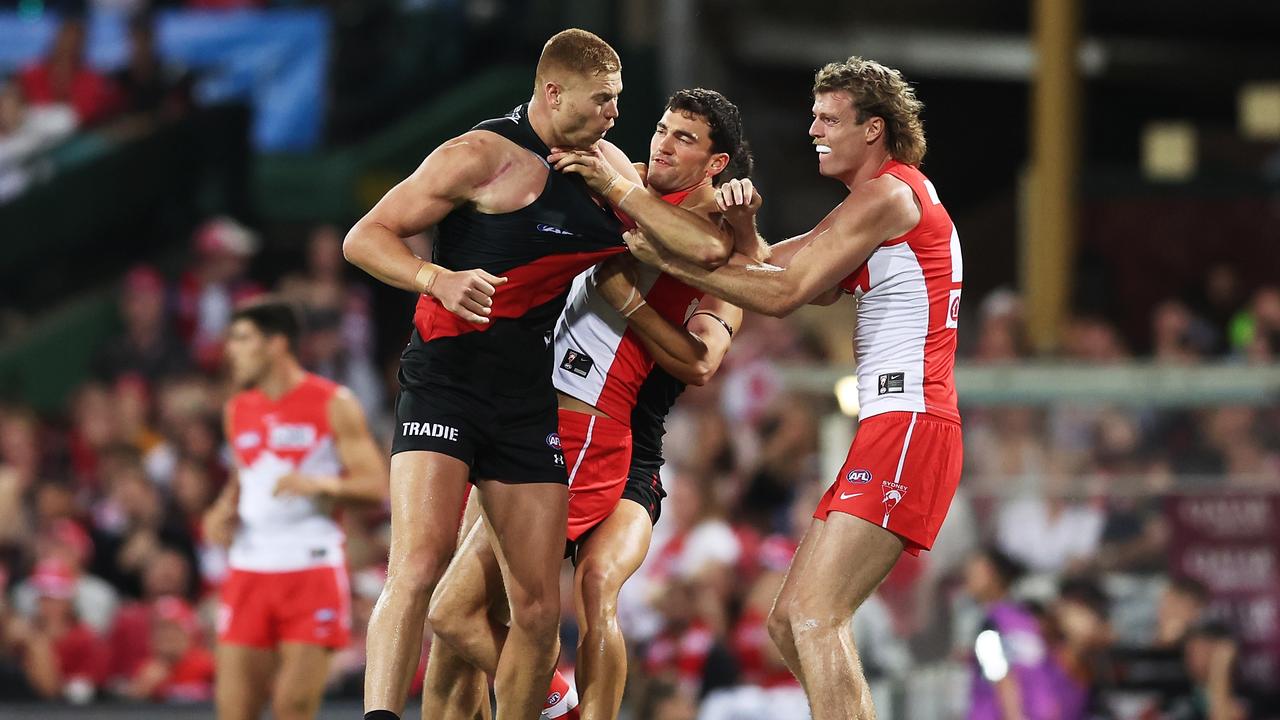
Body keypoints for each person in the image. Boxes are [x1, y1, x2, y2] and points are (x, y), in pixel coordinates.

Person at [341, 29, 731, 720]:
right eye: (603, 100)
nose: (616, 115)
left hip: (527, 399)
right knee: (422, 571)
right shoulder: (479, 155)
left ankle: (544, 705)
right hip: (447, 380)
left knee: (538, 606)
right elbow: (364, 237)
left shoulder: (607, 165)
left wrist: (621, 187)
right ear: (553, 93)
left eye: (618, 101)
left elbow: (702, 249)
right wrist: (435, 276)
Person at [567, 56, 964, 720]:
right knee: (790, 622)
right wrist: (745, 227)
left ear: (874, 129)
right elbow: (773, 264)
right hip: (895, 424)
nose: (813, 129)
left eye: (829, 119)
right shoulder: (877, 203)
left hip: (910, 420)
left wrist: (658, 251)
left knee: (812, 617)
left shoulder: (890, 195)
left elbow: (780, 294)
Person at [422, 88, 762, 720]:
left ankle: (570, 708)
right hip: (525, 416)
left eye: (684, 138)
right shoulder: (616, 180)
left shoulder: (711, 239)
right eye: (661, 129)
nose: (662, 143)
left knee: (535, 599)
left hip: (601, 430)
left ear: (717, 165)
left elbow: (710, 333)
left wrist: (638, 292)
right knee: (462, 632)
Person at [202, 300, 388, 720]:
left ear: (276, 344)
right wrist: (222, 511)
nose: (231, 350)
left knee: (292, 709)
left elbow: (375, 487)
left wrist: (318, 484)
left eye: (242, 339)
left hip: (310, 570)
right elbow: (243, 479)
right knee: (234, 711)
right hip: (248, 570)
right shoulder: (238, 409)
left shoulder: (332, 402)